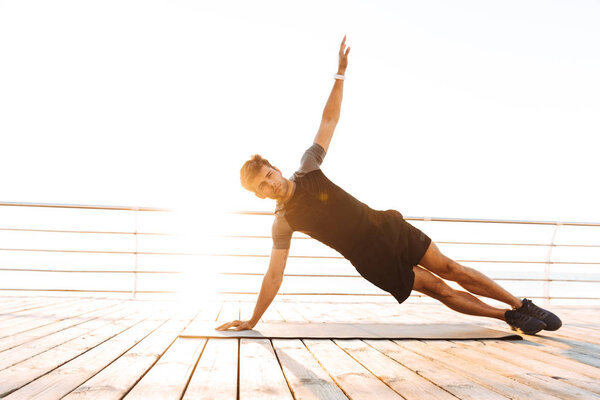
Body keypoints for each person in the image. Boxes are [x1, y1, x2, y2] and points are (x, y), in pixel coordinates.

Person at [216, 36, 561, 335]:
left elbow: (329, 120)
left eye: (269, 175)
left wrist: (340, 73)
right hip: (373, 260)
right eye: (262, 186)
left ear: (275, 168)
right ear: (259, 194)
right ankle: (508, 316)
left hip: (388, 227)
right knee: (439, 289)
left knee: (450, 269)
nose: (270, 184)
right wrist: (252, 319)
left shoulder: (307, 168)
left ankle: (522, 304)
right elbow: (274, 276)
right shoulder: (283, 222)